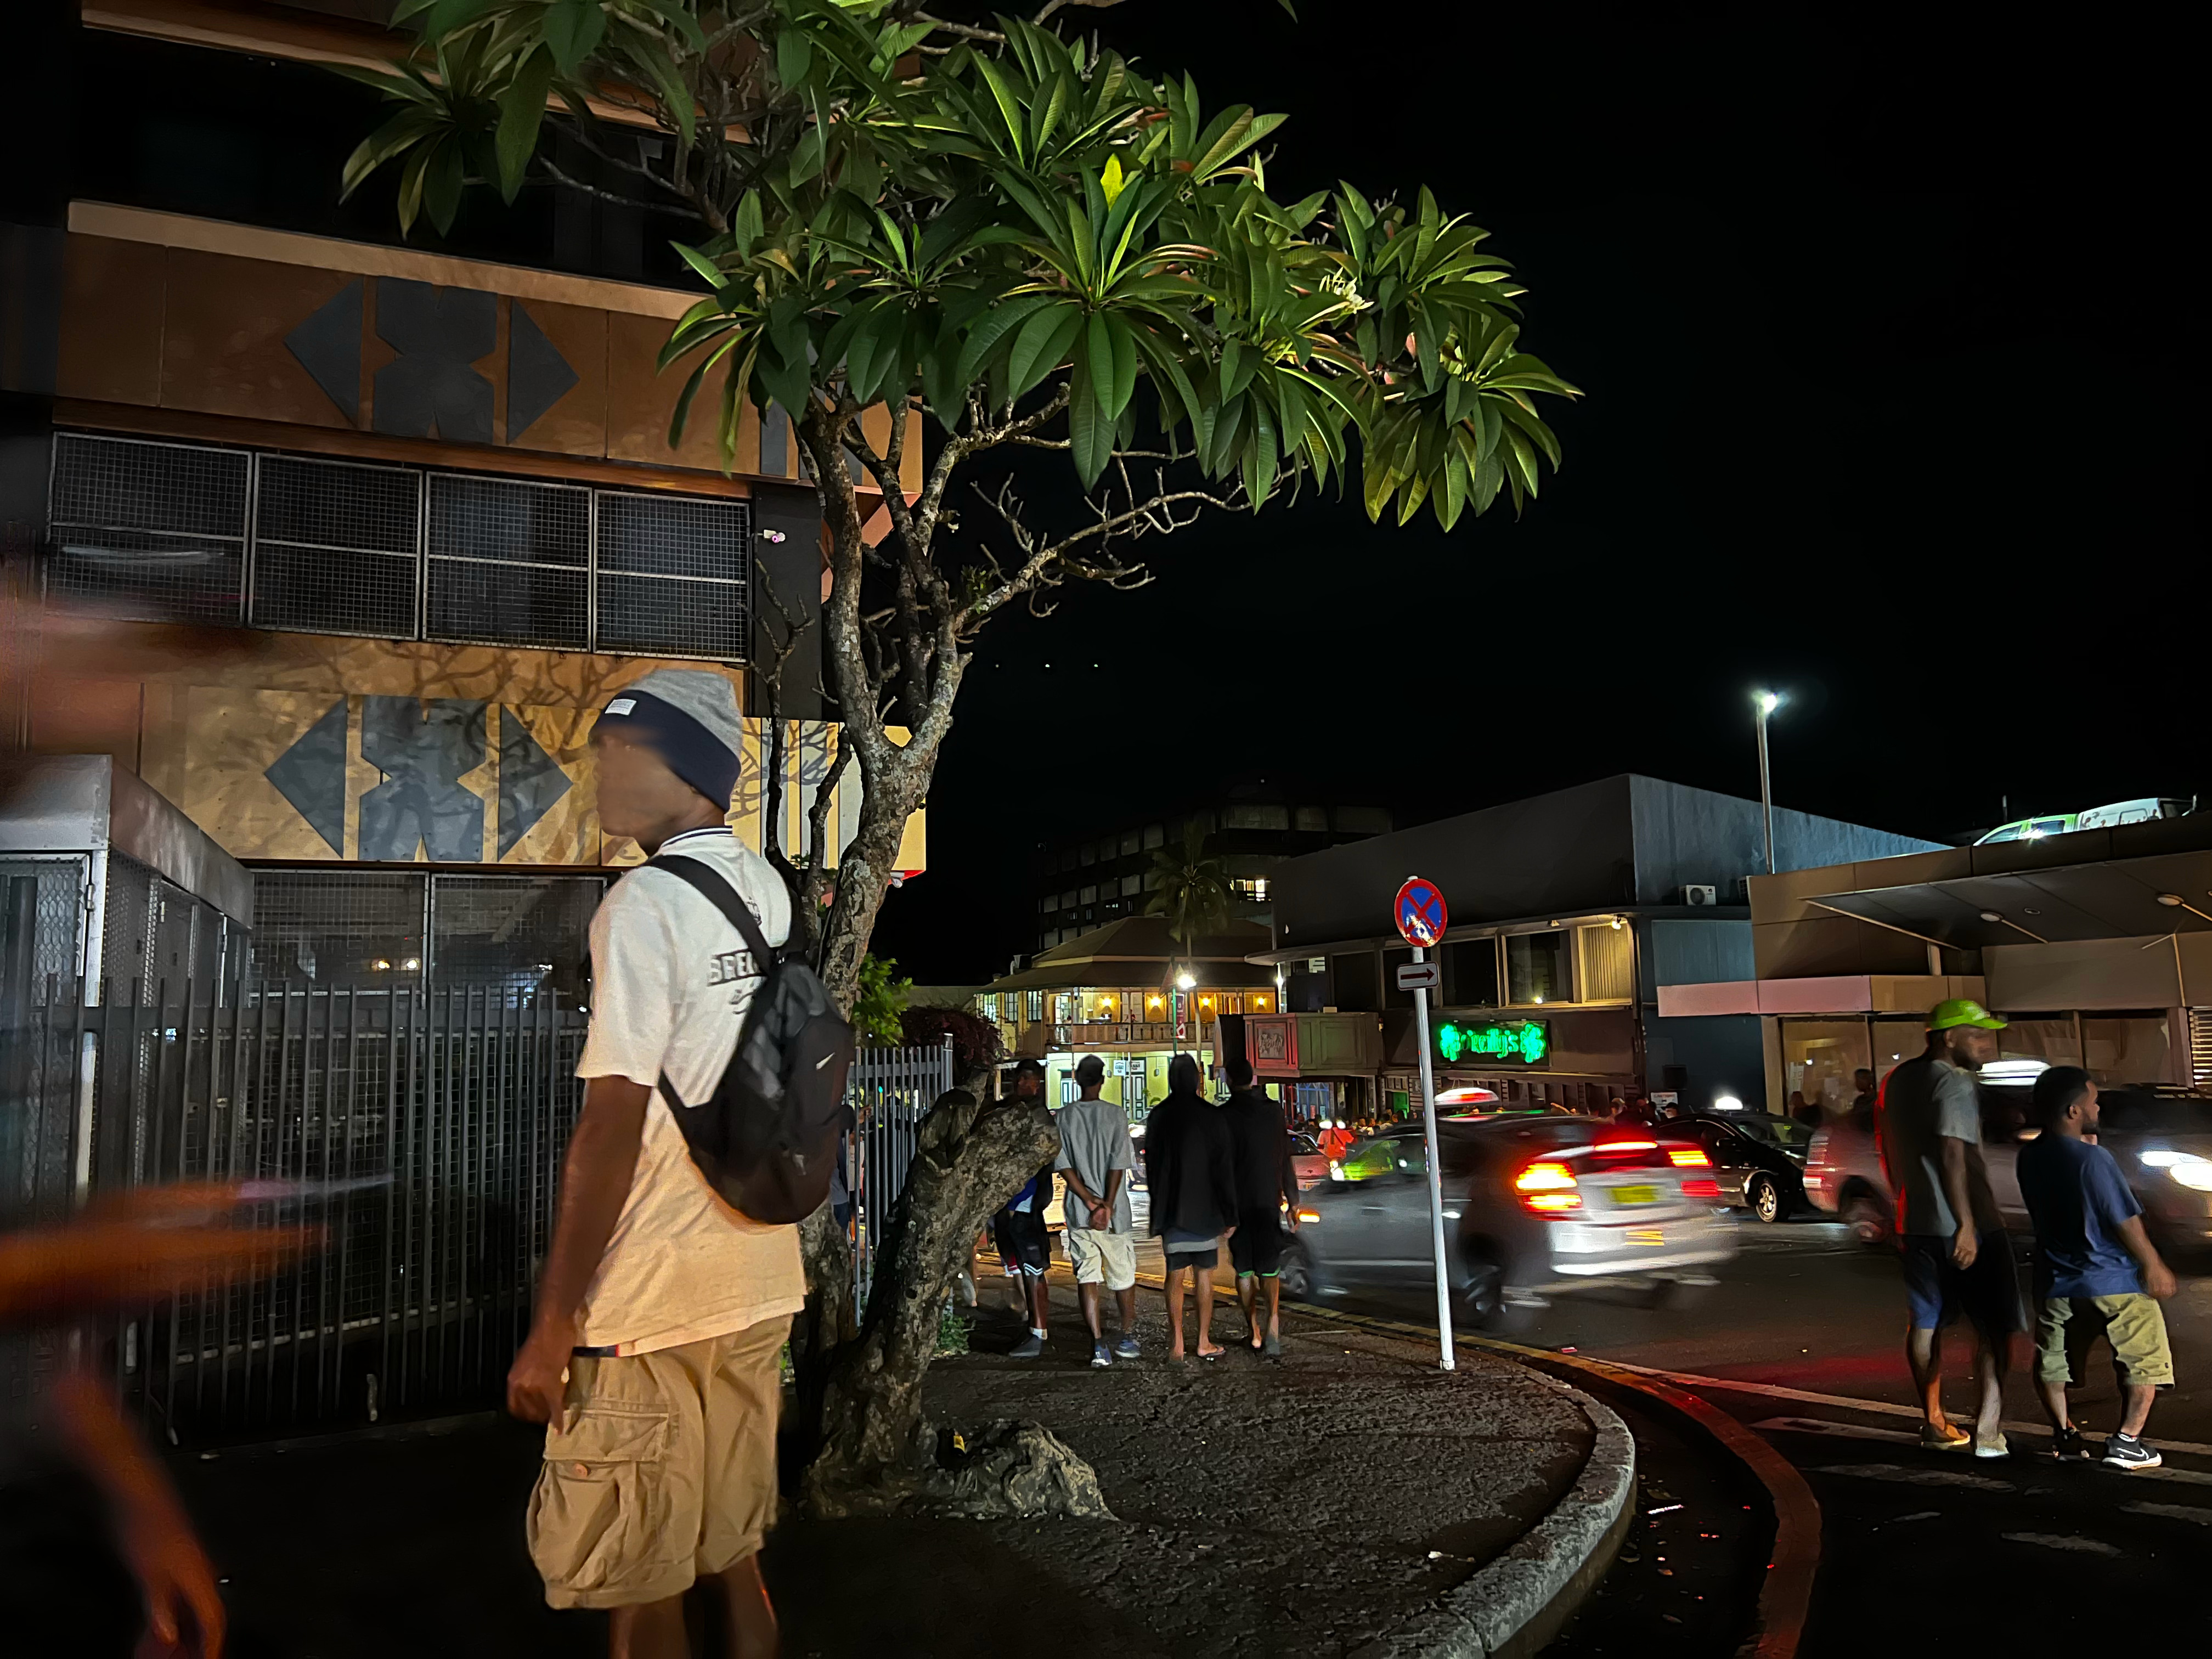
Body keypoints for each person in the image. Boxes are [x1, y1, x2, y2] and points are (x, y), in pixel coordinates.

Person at [506, 668, 798, 1658]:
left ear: (690, 769)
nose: (602, 773)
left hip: (653, 1297)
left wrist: (554, 1323)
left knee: (639, 1582)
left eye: (623, 752)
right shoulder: (765, 891)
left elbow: (611, 1125)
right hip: (758, 1275)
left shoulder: (642, 904)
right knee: (733, 1554)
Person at [1875, 998, 2021, 1458]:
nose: (1986, 1044)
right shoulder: (1954, 1081)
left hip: (1916, 1221)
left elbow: (1887, 1146)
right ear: (1947, 1037)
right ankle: (1989, 1433)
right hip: (1968, 1224)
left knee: (1925, 1323)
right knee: (1995, 1327)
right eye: (1977, 1035)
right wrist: (1966, 1224)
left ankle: (1935, 1422)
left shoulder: (1897, 1080)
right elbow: (1953, 1153)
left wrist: (1901, 1201)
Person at [2017, 1066, 2178, 1470]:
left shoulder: (2030, 1157)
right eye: (2093, 1102)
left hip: (2058, 1280)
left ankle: (2065, 1436)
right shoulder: (2094, 1159)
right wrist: (2154, 1265)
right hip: (2113, 1278)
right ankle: (2127, 1442)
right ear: (2074, 1111)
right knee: (2143, 1359)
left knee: (2053, 1361)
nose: (2098, 1108)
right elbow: (2123, 1218)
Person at [1144, 1053, 1239, 1361]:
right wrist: (1230, 1213)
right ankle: (1203, 1341)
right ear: (1197, 1080)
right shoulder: (1212, 1116)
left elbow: (1152, 1166)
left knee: (1175, 1275)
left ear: (1171, 1080)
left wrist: (1158, 1207)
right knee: (1204, 1276)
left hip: (1172, 1210)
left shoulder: (1159, 1116)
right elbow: (1224, 1169)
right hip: (1206, 1210)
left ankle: (1177, 1344)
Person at [1054, 1056, 1142, 1367]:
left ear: (1077, 1079)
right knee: (1123, 1277)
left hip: (1080, 1212)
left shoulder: (1063, 1117)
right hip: (1114, 1216)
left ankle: (1098, 1344)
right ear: (1103, 1080)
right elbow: (1119, 1164)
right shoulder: (1116, 1115)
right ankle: (1127, 1337)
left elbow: (1063, 1166)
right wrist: (1107, 1205)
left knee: (1087, 1277)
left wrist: (1090, 1203)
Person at [1221, 1057, 1301, 1357]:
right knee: (1270, 1269)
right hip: (1269, 1201)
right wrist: (1293, 1202)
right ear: (1253, 1078)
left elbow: (1220, 1166)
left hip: (1238, 1205)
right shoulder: (1273, 1112)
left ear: (1229, 1080)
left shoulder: (1225, 1115)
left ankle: (1254, 1331)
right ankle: (1274, 1326)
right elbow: (1285, 1157)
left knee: (1244, 1271)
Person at [991, 1059, 1055, 1357]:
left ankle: (1038, 1332)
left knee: (1033, 1270)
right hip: (1010, 1203)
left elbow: (1044, 1161)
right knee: (1024, 1267)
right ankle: (1033, 1328)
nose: (1022, 1083)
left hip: (1027, 1202)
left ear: (1038, 1083)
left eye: (1028, 1078)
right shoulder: (1011, 1110)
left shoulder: (1038, 1116)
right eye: (1019, 1078)